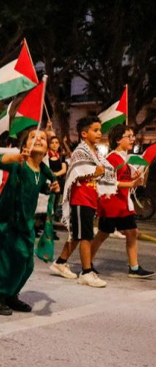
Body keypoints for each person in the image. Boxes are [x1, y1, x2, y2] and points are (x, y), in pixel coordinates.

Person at [0, 129, 60, 315]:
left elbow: (39, 188)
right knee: (5, 261)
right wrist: (14, 158)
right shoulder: (20, 164)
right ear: (25, 147)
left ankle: (11, 295)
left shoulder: (41, 171)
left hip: (26, 225)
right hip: (8, 223)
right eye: (33, 137)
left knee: (26, 264)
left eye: (42, 138)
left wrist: (51, 188)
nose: (38, 139)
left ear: (47, 149)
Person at [50, 116, 116, 287]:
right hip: (80, 199)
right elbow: (78, 172)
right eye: (95, 130)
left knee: (78, 235)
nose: (99, 133)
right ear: (84, 133)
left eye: (100, 130)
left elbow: (105, 169)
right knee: (85, 235)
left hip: (90, 198)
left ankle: (60, 262)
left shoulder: (96, 153)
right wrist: (96, 172)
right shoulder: (80, 151)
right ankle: (86, 272)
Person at [91, 125, 153, 278]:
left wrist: (136, 178)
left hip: (123, 204)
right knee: (103, 234)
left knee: (131, 233)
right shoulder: (112, 158)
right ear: (119, 140)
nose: (132, 139)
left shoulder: (126, 158)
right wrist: (130, 183)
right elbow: (107, 182)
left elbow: (125, 178)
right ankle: (87, 262)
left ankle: (134, 267)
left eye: (132, 136)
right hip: (111, 203)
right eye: (129, 136)